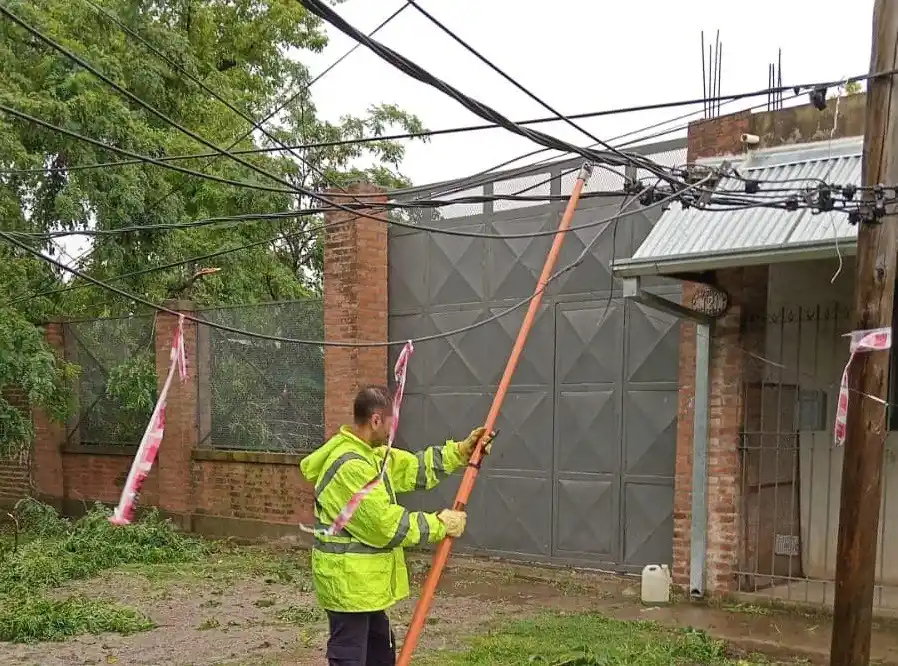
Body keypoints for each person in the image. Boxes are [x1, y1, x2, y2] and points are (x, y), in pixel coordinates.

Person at [300, 385, 494, 666]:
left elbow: (415, 468)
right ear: (376, 420)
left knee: (380, 652)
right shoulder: (351, 466)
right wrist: (439, 524)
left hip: (363, 585)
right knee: (351, 656)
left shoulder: (372, 454)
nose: (394, 430)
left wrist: (462, 452)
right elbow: (386, 526)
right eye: (392, 422)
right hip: (348, 583)